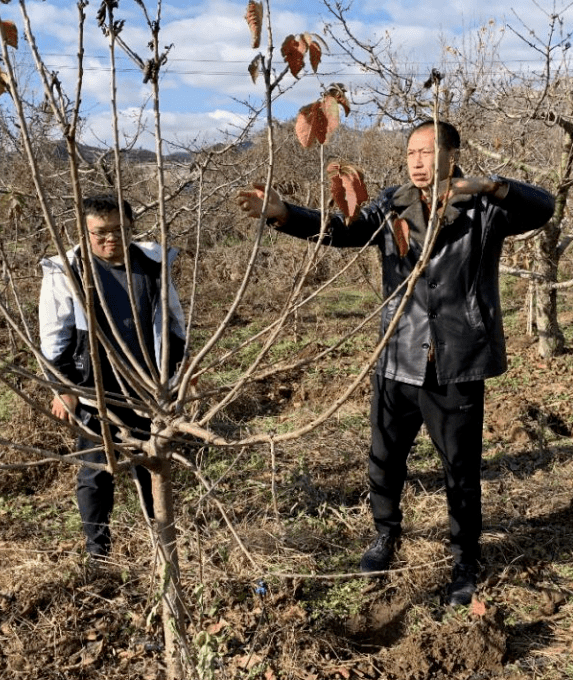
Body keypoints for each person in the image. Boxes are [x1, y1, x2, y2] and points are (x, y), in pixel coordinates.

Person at [237, 120, 554, 605]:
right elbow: (344, 230)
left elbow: (544, 208)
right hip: (398, 353)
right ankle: (386, 535)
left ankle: (465, 558)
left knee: (460, 469)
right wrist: (285, 214)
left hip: (456, 360)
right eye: (411, 152)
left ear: (451, 154)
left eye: (427, 152)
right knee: (384, 460)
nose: (417, 161)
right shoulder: (391, 205)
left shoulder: (486, 207)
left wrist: (491, 186)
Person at [39, 195, 186, 559]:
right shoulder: (68, 271)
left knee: (151, 467)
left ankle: (162, 546)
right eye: (100, 232)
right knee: (95, 472)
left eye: (119, 230)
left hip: (148, 390)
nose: (110, 239)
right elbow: (54, 334)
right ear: (85, 232)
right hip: (95, 391)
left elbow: (173, 322)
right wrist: (64, 389)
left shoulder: (151, 264)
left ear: (131, 227)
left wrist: (180, 374)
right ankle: (98, 552)